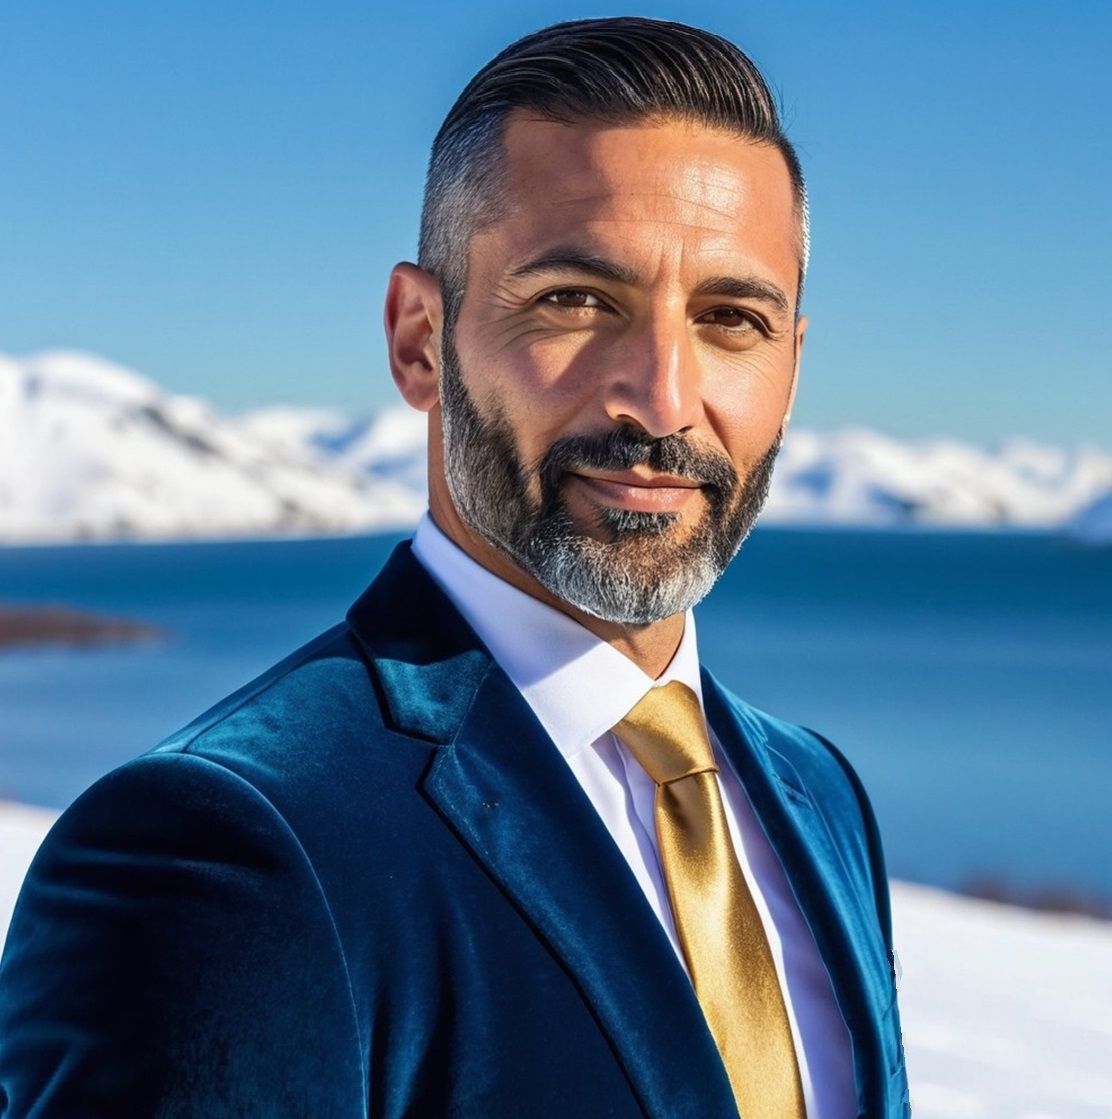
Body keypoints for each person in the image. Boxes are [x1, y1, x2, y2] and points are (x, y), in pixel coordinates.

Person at [0, 17, 909, 1119]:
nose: (662, 398)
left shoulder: (815, 795)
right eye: (576, 300)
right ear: (420, 340)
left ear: (791, 365)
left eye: (729, 319)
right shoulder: (222, 850)